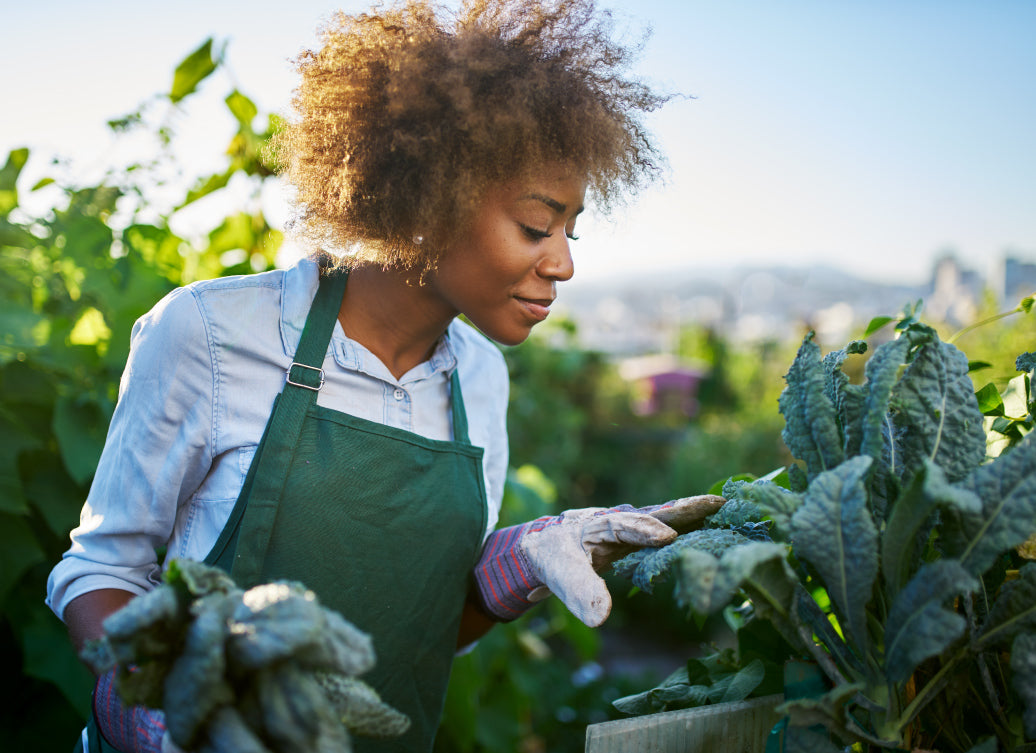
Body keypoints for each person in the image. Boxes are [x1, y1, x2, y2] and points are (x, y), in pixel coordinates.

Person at [46, 1, 722, 751]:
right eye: (537, 226)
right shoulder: (212, 334)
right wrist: (150, 704)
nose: (563, 262)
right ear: (432, 199)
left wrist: (509, 574)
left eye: (572, 228)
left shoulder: (482, 382)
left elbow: (422, 637)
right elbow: (102, 568)